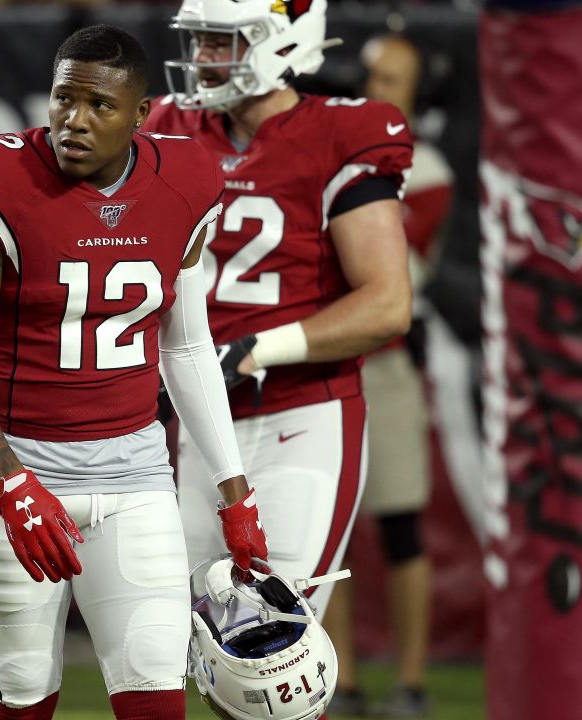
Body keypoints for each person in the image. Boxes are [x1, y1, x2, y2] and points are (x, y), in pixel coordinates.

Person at [0, 25, 268, 720]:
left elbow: (187, 345)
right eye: (63, 99)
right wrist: (10, 481)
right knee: (21, 699)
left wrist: (235, 492)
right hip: (21, 476)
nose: (75, 120)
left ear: (141, 115)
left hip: (136, 481)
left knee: (154, 699)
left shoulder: (186, 180)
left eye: (99, 106)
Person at [146, 0, 414, 626]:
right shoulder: (168, 124)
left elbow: (387, 303)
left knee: (273, 646)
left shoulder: (345, 132)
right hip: (192, 425)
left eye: (222, 42)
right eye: (202, 41)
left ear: (284, 42)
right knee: (190, 646)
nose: (203, 59)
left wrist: (253, 351)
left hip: (300, 417)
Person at [322, 33, 454, 718]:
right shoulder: (333, 154)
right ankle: (337, 679)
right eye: (374, 76)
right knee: (326, 533)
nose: (380, 89)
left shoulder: (423, 168)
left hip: (386, 365)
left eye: (395, 79)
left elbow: (387, 272)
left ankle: (410, 681)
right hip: (325, 362)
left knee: (401, 527)